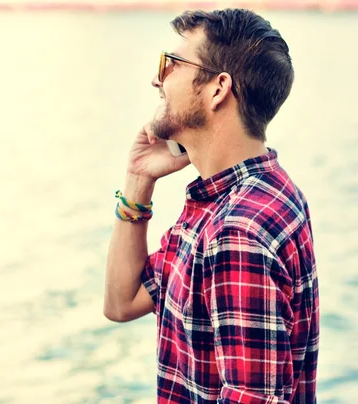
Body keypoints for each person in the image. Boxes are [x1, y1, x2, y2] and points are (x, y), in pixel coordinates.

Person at [103, 8, 319, 404]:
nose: (157, 78)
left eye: (170, 65)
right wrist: (138, 179)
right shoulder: (233, 197)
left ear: (218, 89)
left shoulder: (238, 229)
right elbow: (122, 301)